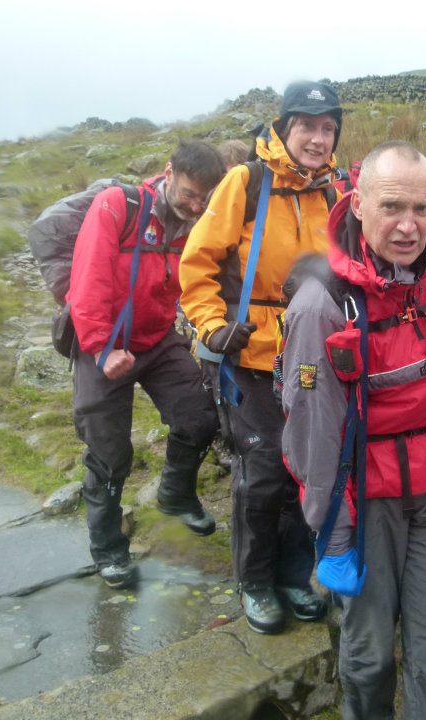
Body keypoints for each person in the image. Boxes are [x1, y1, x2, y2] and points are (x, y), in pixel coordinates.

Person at [279, 141, 426, 720]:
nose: (409, 226)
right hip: (365, 504)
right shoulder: (324, 306)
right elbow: (312, 437)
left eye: (423, 208)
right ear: (357, 204)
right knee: (368, 657)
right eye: (392, 207)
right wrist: (333, 536)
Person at [179, 81, 343, 634]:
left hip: (315, 357)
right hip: (250, 353)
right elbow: (197, 262)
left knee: (310, 467)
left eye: (327, 128)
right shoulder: (245, 182)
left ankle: (297, 574)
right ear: (284, 128)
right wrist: (213, 325)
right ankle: (254, 580)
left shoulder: (337, 191)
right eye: (307, 126)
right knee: (264, 470)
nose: (318, 139)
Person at [68, 140, 226, 589]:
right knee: (109, 452)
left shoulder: (198, 222)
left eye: (204, 198)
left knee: (199, 415)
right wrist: (101, 347)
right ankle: (108, 548)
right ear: (168, 171)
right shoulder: (118, 206)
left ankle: (175, 495)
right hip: (103, 343)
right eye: (190, 194)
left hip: (156, 339)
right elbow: (89, 280)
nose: (196, 206)